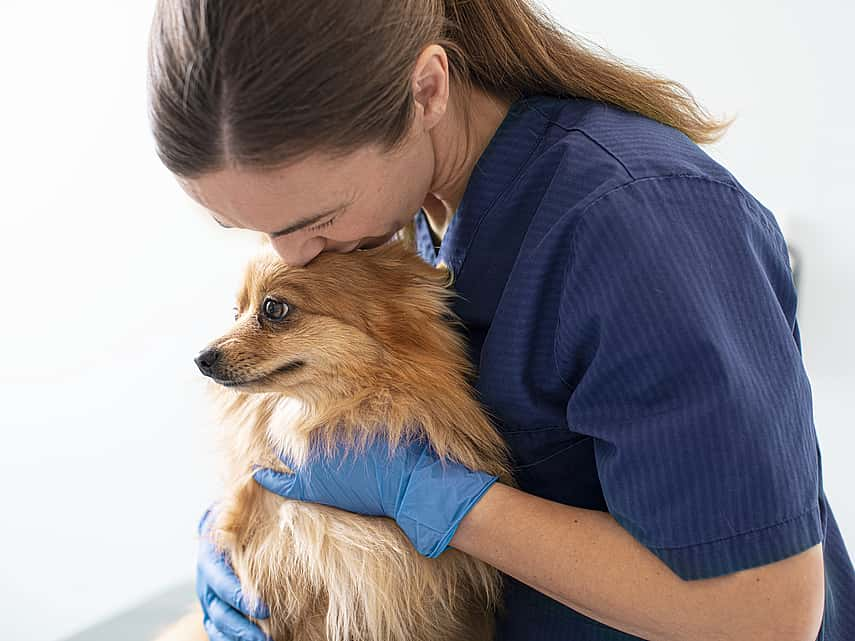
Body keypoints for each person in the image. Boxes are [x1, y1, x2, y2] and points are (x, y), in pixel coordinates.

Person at [147, 1, 855, 640]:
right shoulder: (407, 220)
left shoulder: (639, 226)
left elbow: (766, 612)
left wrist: (435, 496)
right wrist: (244, 539)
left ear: (426, 90)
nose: (291, 254)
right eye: (248, 226)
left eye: (315, 218)